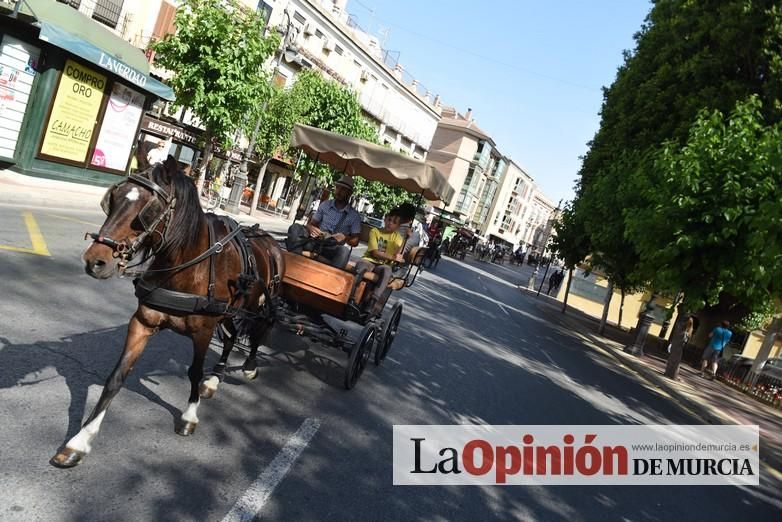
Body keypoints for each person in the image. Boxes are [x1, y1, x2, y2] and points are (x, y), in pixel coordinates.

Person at [286, 175, 361, 269]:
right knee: (295, 227)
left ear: (349, 193)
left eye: (343, 189)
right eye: (337, 188)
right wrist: (312, 228)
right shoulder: (325, 205)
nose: (339, 191)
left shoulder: (354, 215)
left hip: (332, 248)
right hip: (315, 242)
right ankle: (294, 262)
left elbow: (355, 241)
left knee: (344, 251)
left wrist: (345, 237)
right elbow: (311, 224)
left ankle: (330, 279)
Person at [354, 211, 405, 316]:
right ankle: (352, 295)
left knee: (387, 270)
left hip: (383, 265)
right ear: (385, 220)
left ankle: (372, 302)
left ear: (398, 226)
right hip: (369, 260)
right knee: (361, 265)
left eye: (394, 222)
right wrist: (393, 257)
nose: (390, 223)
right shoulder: (375, 231)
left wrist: (405, 240)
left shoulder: (398, 238)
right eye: (389, 220)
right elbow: (375, 252)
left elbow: (398, 256)